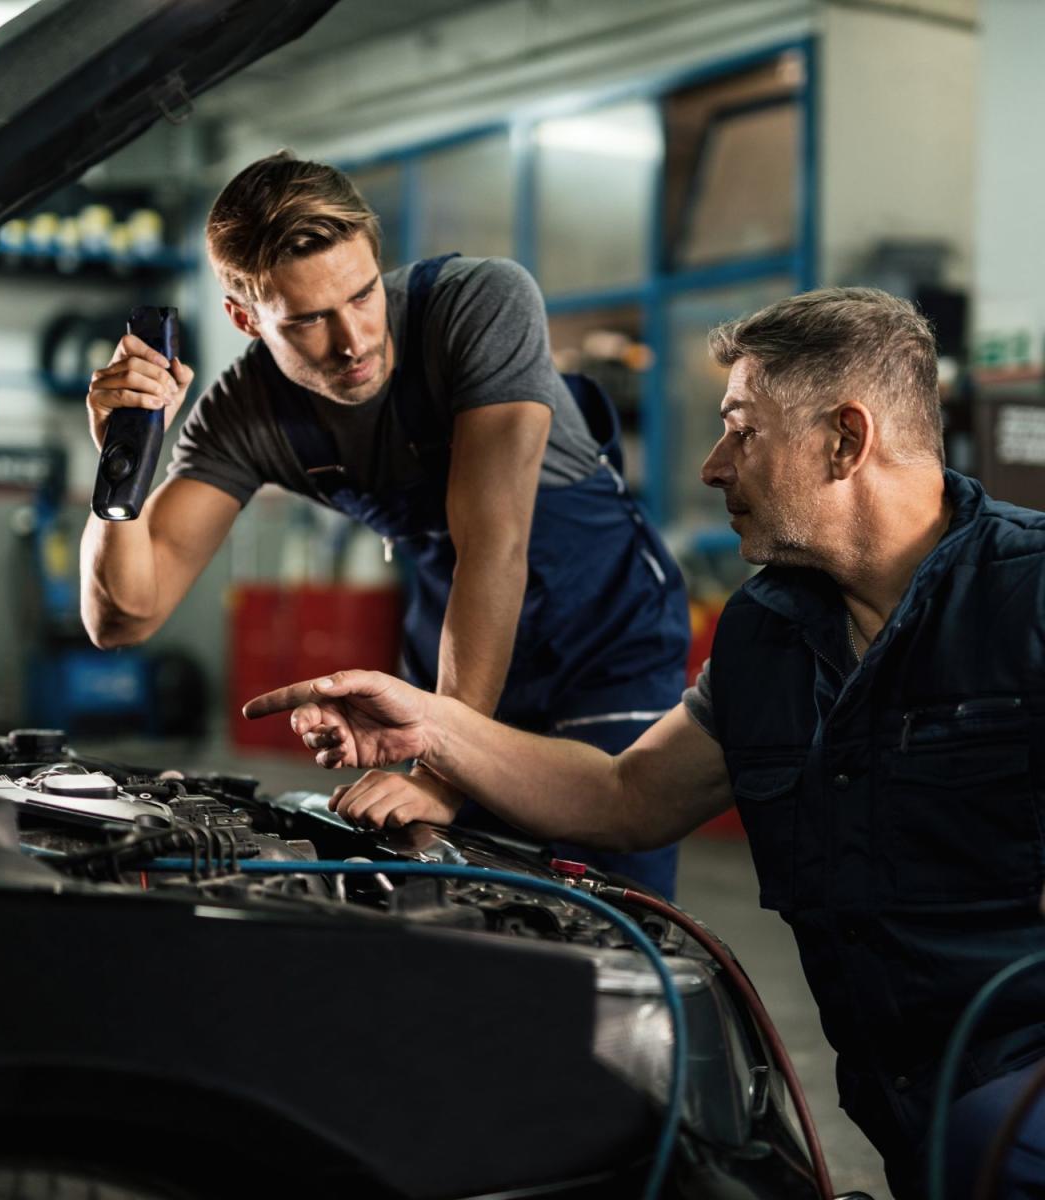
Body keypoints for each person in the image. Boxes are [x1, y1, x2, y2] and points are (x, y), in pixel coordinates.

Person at [243, 287, 1045, 1200]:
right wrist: (434, 726)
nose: (712, 465)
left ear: (846, 440)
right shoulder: (769, 634)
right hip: (917, 1124)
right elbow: (626, 796)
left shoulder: (1031, 600)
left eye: (741, 430)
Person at [79, 150, 690, 896]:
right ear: (245, 318)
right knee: (456, 902)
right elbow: (124, 618)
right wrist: (122, 460)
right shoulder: (244, 414)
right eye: (306, 320)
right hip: (452, 660)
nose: (354, 340)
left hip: (603, 647)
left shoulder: (478, 305)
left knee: (605, 906)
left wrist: (441, 766)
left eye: (363, 294)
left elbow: (494, 546)